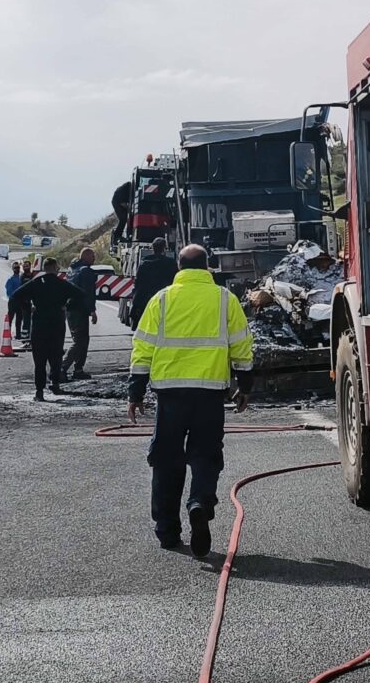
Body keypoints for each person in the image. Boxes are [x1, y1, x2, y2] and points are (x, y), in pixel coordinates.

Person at [127, 244, 254, 556]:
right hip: (210, 392)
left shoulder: (162, 299)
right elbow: (241, 345)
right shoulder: (225, 299)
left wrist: (135, 391)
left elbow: (142, 348)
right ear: (207, 266)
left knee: (166, 461)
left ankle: (168, 532)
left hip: (170, 394)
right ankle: (199, 501)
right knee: (206, 455)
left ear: (179, 267)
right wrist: (245, 385)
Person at [12, 256, 79, 399]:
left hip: (39, 323)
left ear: (44, 268)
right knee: (55, 356)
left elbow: (16, 295)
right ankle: (55, 384)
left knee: (39, 359)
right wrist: (67, 306)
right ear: (55, 268)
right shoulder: (62, 284)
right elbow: (80, 295)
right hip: (57, 323)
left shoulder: (36, 283)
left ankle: (39, 391)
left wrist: (27, 307)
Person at [65, 244, 102, 378]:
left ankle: (78, 370)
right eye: (92, 256)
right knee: (80, 341)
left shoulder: (72, 269)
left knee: (80, 339)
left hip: (71, 309)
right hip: (79, 310)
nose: (94, 258)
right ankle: (63, 368)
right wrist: (92, 310)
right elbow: (88, 293)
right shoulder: (85, 271)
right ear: (86, 256)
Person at [127, 236, 177, 330]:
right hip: (166, 301)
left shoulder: (144, 264)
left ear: (152, 248)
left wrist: (136, 304)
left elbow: (138, 285)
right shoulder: (171, 264)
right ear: (164, 248)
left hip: (146, 301)